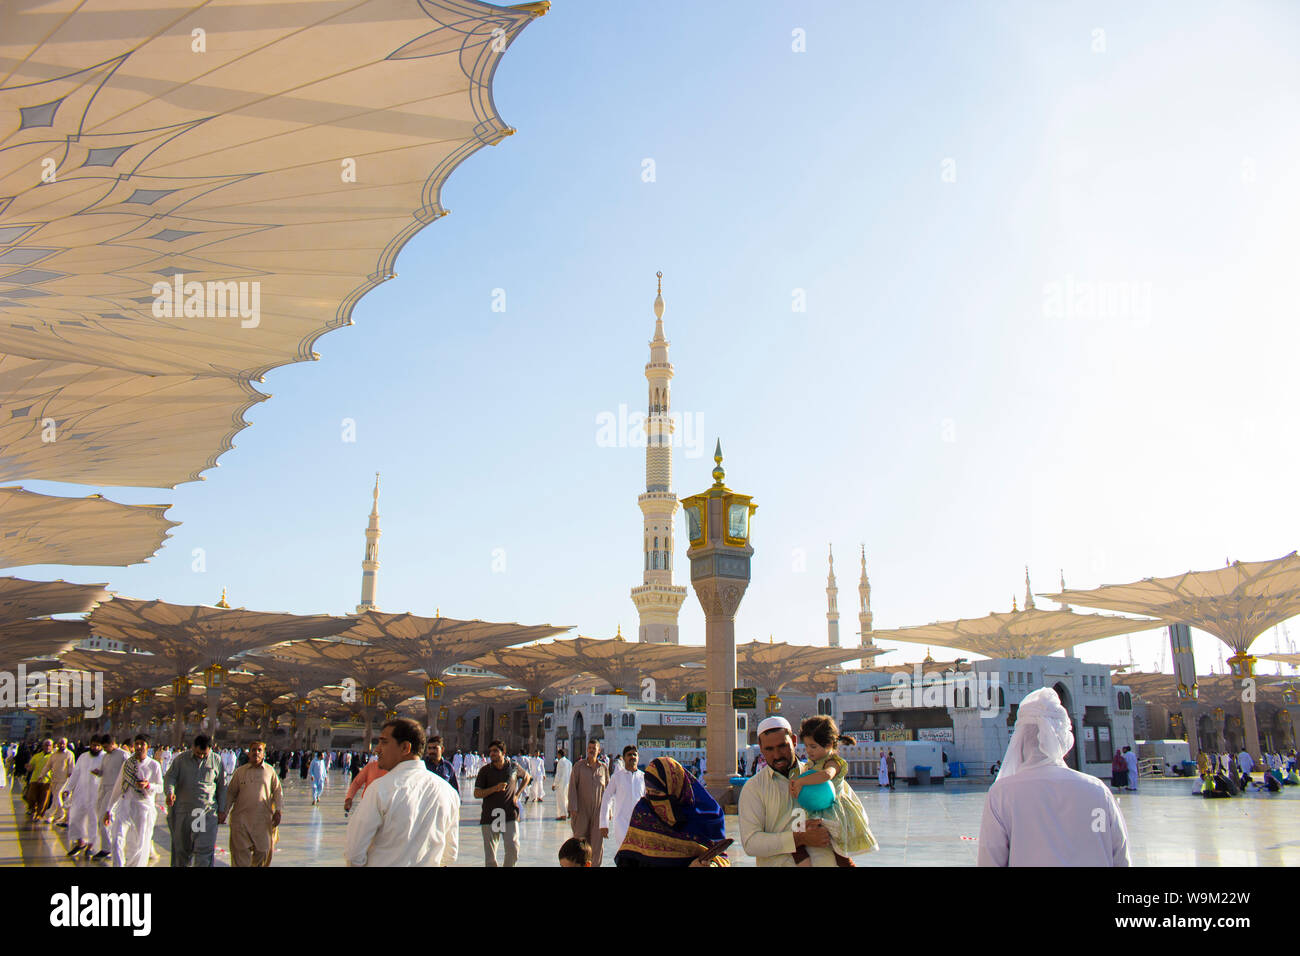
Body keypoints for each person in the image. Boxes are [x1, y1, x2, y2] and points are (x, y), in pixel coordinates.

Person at [976, 687, 1130, 866]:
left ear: (1020, 739)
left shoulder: (1002, 794)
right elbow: (1120, 856)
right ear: (1064, 737)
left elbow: (990, 860)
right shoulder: (1097, 790)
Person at [344, 718, 459, 866]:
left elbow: (354, 853)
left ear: (405, 748)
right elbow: (450, 854)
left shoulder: (381, 789)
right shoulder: (448, 793)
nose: (377, 749)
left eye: (384, 742)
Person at [739, 716, 837, 866]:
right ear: (760, 746)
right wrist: (799, 838)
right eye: (769, 749)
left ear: (794, 741)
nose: (777, 755)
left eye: (782, 746)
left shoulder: (818, 774)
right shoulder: (754, 788)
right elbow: (751, 843)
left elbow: (848, 817)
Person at [788, 715, 876, 866]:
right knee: (794, 838)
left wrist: (801, 781)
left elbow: (826, 775)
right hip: (814, 808)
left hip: (832, 812)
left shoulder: (833, 762)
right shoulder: (811, 763)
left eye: (813, 746)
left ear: (829, 744)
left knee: (840, 854)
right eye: (807, 746)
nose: (809, 750)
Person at [614, 756, 730, 867]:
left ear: (675, 788)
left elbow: (721, 858)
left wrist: (711, 865)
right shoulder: (644, 812)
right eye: (649, 793)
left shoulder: (707, 818)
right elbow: (628, 858)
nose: (653, 800)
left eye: (658, 793)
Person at [163, 734, 227, 867]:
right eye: (198, 753)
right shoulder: (181, 760)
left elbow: (222, 787)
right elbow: (170, 777)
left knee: (203, 850)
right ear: (193, 747)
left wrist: (222, 810)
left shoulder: (216, 760)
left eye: (204, 754)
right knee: (182, 850)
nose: (201, 756)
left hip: (203, 812)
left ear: (211, 748)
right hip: (183, 812)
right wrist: (170, 792)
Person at [104, 735, 164, 868]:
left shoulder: (154, 765)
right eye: (136, 744)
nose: (138, 747)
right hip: (125, 806)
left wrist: (148, 786)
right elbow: (118, 787)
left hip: (143, 808)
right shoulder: (128, 764)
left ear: (147, 746)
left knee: (139, 844)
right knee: (117, 838)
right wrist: (109, 809)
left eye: (142, 744)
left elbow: (160, 787)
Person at [220, 741, 282, 867]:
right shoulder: (240, 772)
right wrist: (224, 812)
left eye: (259, 750)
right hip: (241, 821)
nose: (256, 753)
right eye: (253, 750)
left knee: (263, 852)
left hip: (263, 821)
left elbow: (277, 792)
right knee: (240, 855)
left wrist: (278, 811)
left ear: (264, 754)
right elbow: (230, 793)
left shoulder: (270, 772)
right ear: (249, 753)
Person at [474, 740, 531, 867]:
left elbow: (527, 777)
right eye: (490, 751)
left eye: (495, 751)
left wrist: (517, 795)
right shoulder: (485, 771)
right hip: (491, 816)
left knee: (513, 848)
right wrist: (495, 788)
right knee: (490, 856)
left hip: (509, 813)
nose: (492, 754)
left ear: (503, 752)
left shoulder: (513, 767)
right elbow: (477, 793)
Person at [599, 745, 645, 864]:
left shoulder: (644, 778)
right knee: (625, 858)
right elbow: (607, 798)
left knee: (640, 859)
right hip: (622, 825)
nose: (632, 757)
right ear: (624, 758)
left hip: (640, 826)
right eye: (629, 755)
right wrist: (604, 823)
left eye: (635, 754)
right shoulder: (617, 777)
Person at [568, 740, 610, 865]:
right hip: (581, 810)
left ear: (599, 750)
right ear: (587, 749)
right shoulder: (578, 766)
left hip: (598, 812)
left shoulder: (603, 768)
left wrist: (608, 812)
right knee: (580, 842)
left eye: (594, 748)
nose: (591, 750)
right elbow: (572, 788)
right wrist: (573, 808)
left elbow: (608, 791)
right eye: (590, 748)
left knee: (597, 843)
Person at [62, 735, 104, 857]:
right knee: (75, 818)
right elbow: (76, 773)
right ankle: (81, 842)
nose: (95, 747)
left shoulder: (105, 758)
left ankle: (90, 845)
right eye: (93, 745)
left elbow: (109, 775)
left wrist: (101, 773)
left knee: (92, 820)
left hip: (96, 794)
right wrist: (68, 788)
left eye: (98, 745)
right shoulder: (83, 757)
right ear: (90, 744)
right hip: (81, 792)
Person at [92, 735, 127, 860]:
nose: (105, 749)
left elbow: (128, 772)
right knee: (100, 816)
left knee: (105, 817)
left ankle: (107, 848)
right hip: (104, 788)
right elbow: (103, 771)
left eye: (106, 746)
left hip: (114, 790)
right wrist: (98, 772)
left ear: (113, 743)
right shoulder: (106, 756)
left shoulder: (123, 755)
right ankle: (108, 846)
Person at [46, 738, 75, 825]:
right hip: (54, 779)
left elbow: (71, 766)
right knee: (55, 797)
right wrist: (41, 775)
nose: (62, 745)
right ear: (57, 744)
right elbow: (48, 766)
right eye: (60, 744)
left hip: (64, 780)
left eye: (64, 744)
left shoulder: (69, 754)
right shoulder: (54, 754)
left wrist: (71, 775)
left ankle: (57, 814)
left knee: (58, 795)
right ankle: (57, 815)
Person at [24, 738, 54, 820]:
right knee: (31, 797)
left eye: (49, 745)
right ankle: (32, 809)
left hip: (47, 781)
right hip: (35, 779)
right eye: (46, 745)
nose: (47, 747)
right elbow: (31, 767)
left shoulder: (54, 756)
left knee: (43, 799)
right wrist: (28, 767)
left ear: (52, 746)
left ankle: (39, 815)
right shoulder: (37, 756)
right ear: (43, 746)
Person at [552, 748, 572, 820]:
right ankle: (568, 812)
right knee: (566, 798)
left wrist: (554, 784)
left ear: (559, 754)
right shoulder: (569, 762)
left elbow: (558, 774)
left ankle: (563, 815)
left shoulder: (560, 762)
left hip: (561, 784)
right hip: (568, 783)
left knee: (561, 799)